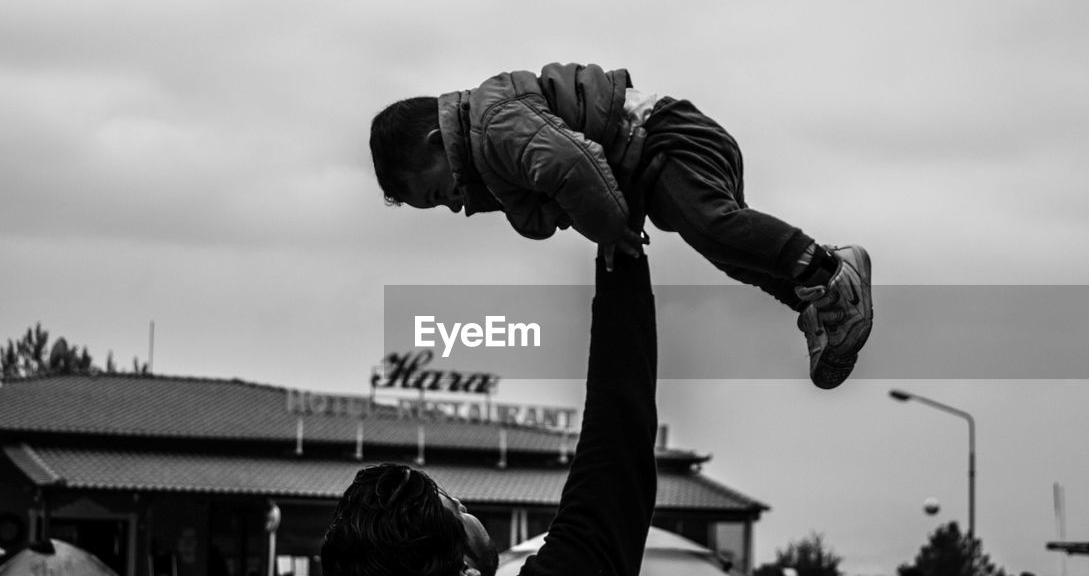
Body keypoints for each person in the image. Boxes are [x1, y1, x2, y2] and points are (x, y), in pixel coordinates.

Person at [321, 249, 662, 576]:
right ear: (463, 567)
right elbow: (618, 430)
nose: (466, 509)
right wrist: (618, 247)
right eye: (455, 508)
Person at [368, 62, 873, 390]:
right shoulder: (492, 160)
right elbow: (544, 211)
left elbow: (575, 165)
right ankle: (815, 304)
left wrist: (609, 231)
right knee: (728, 249)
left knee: (714, 226)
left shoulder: (496, 123)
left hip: (662, 136)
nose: (452, 207)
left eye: (437, 194)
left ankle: (832, 270)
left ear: (439, 141)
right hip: (649, 158)